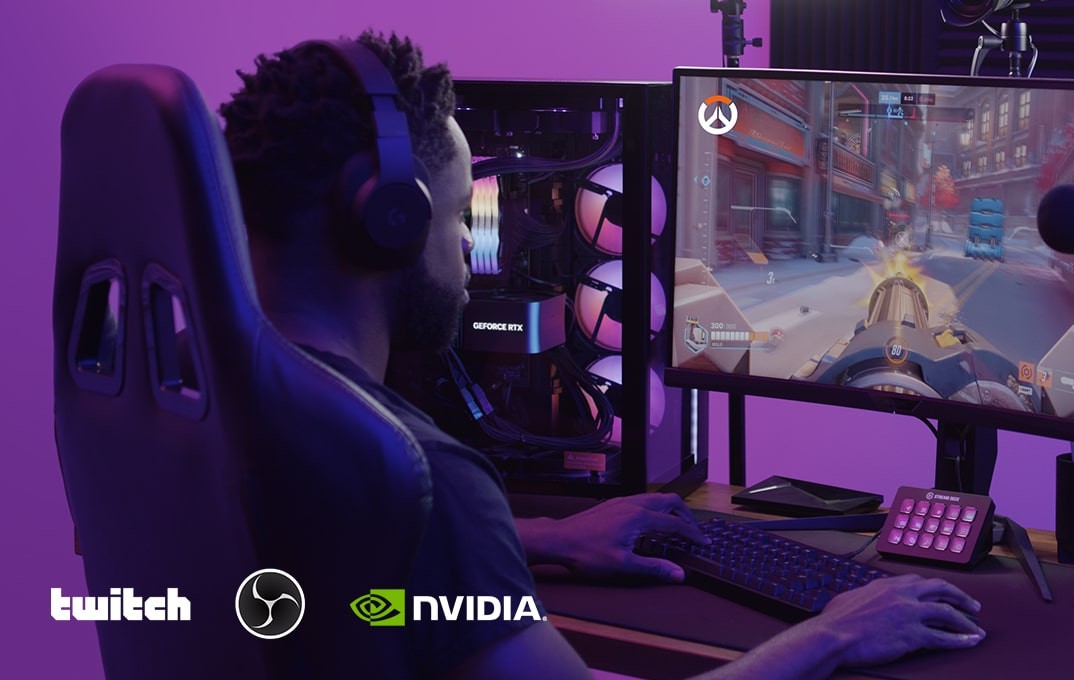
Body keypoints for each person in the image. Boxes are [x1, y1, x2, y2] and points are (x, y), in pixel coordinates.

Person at [220, 30, 985, 679]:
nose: (468, 245)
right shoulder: (420, 476)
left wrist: (544, 537)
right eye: (458, 215)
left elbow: (343, 593)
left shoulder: (207, 395)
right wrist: (837, 633)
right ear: (388, 224)